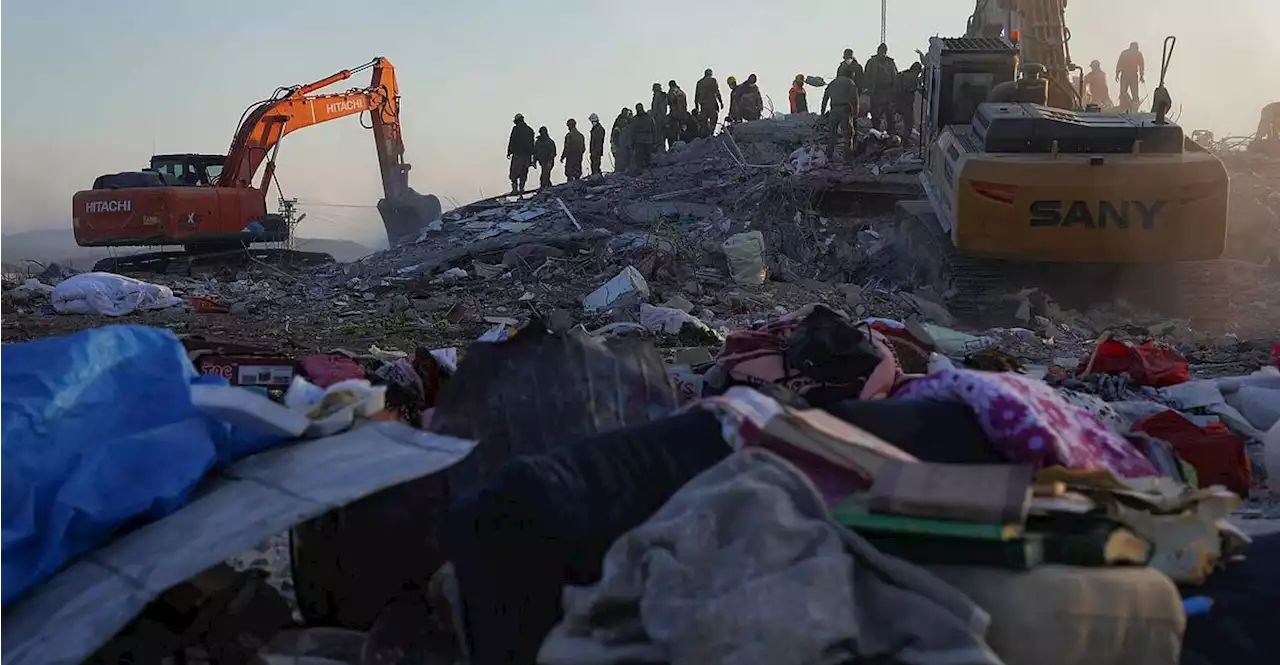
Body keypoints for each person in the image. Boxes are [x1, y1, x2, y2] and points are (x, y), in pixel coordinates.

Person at [821, 70, 858, 161]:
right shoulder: (850, 82)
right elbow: (854, 98)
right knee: (848, 135)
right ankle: (848, 158)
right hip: (845, 110)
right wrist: (855, 112)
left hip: (834, 110)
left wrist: (822, 110)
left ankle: (829, 155)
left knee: (832, 134)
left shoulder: (833, 82)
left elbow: (825, 96)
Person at [866, 43, 899, 134]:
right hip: (876, 92)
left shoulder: (890, 62)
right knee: (876, 117)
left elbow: (895, 76)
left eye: (884, 51)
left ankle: (890, 137)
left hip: (888, 92)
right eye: (881, 51)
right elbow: (867, 76)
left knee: (890, 117)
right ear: (878, 51)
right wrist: (868, 89)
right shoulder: (872, 62)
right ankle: (876, 136)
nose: (882, 53)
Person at [506, 113, 535, 194]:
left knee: (514, 173)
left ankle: (515, 189)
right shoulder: (530, 130)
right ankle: (522, 188)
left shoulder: (516, 129)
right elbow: (532, 144)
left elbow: (512, 140)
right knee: (524, 172)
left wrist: (509, 151)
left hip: (518, 155)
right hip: (527, 156)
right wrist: (533, 155)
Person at [894, 61, 923, 142]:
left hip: (897, 101)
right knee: (909, 124)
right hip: (906, 103)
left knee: (895, 122)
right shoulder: (913, 77)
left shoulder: (903, 74)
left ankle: (896, 138)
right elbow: (919, 89)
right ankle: (904, 141)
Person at [1115, 42, 1145, 110]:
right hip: (1127, 75)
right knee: (1126, 92)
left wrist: (1141, 75)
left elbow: (1141, 66)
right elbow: (1119, 64)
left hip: (1129, 75)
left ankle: (1131, 105)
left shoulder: (1127, 53)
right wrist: (1141, 75)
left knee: (1127, 92)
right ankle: (1130, 104)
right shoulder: (1136, 54)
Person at [694, 68, 723, 137]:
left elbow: (696, 95)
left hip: (703, 105)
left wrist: (696, 106)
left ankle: (706, 135)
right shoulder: (713, 81)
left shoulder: (699, 82)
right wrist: (721, 102)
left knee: (704, 122)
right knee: (713, 119)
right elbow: (717, 92)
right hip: (711, 104)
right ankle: (711, 134)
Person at [630, 102, 657, 172]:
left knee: (643, 157)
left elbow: (633, 132)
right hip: (645, 140)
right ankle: (647, 170)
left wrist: (632, 142)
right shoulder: (648, 118)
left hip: (642, 140)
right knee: (645, 157)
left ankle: (644, 170)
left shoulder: (635, 119)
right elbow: (654, 129)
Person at [667, 80, 688, 149]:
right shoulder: (681, 92)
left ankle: (675, 145)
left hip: (675, 114)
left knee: (673, 131)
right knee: (682, 130)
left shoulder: (671, 91)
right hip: (683, 113)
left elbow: (670, 101)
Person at [611, 107, 633, 173]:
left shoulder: (619, 122)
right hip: (619, 148)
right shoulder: (619, 127)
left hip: (621, 147)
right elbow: (616, 138)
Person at [650, 83, 669, 152]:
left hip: (658, 117)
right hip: (664, 116)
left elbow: (655, 108)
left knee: (658, 135)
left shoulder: (657, 96)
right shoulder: (664, 96)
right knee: (662, 134)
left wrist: (653, 116)